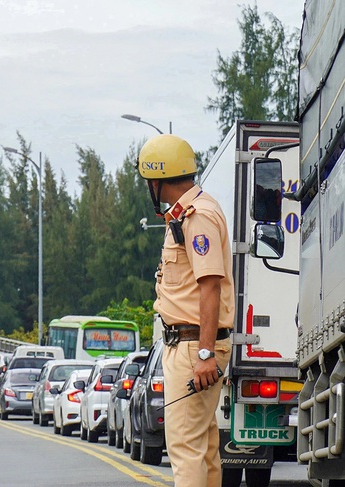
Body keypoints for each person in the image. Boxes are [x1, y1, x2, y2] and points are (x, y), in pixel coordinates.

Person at [137, 134, 233, 486]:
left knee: (184, 449)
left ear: (158, 179)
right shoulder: (188, 215)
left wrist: (205, 353)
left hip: (194, 345)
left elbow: (210, 286)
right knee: (204, 449)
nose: (150, 187)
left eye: (149, 180)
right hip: (194, 344)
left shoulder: (197, 216)